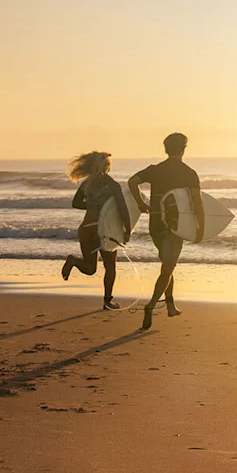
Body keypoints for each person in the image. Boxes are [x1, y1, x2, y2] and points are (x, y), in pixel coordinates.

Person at [128, 132, 200, 330]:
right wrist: (200, 227)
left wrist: (140, 202)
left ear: (166, 149)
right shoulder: (189, 173)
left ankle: (170, 305)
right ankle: (151, 306)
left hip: (156, 224)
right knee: (168, 266)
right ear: (183, 149)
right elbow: (197, 202)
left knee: (168, 264)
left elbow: (132, 181)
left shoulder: (155, 170)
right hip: (176, 225)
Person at [62, 150, 133, 311]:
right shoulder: (113, 185)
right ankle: (108, 301)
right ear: (107, 167)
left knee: (90, 268)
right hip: (104, 230)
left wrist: (92, 206)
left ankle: (73, 261)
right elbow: (123, 209)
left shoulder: (87, 184)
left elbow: (76, 203)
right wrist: (127, 230)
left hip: (86, 228)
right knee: (110, 267)